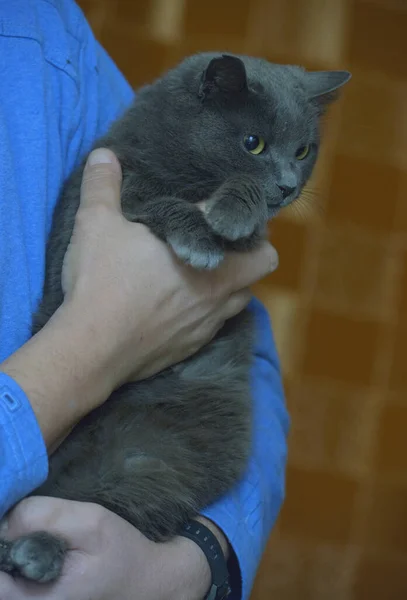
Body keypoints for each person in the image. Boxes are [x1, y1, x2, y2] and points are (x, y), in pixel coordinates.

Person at [0, 1, 289, 599]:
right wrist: (87, 352)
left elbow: (244, 346)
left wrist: (199, 562)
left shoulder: (39, 30)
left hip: (144, 472)